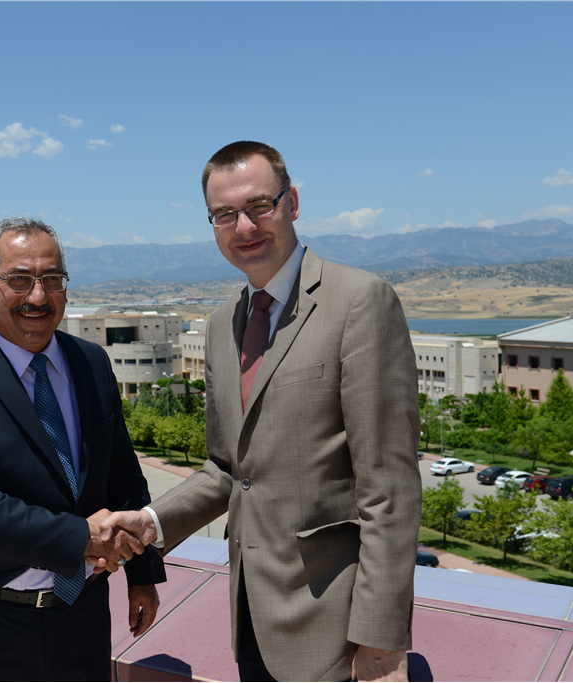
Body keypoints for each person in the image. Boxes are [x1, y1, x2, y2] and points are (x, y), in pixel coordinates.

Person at [102, 141, 422, 681]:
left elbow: (389, 486)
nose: (244, 227)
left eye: (259, 205)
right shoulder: (222, 324)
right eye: (224, 214)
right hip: (251, 619)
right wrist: (151, 522)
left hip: (337, 630)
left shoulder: (360, 301)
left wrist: (381, 640)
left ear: (291, 202)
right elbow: (228, 469)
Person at [0, 218, 166, 682]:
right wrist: (78, 538)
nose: (39, 297)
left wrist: (142, 573)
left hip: (84, 615)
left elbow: (122, 475)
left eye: (52, 279)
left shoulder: (91, 362)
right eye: (20, 279)